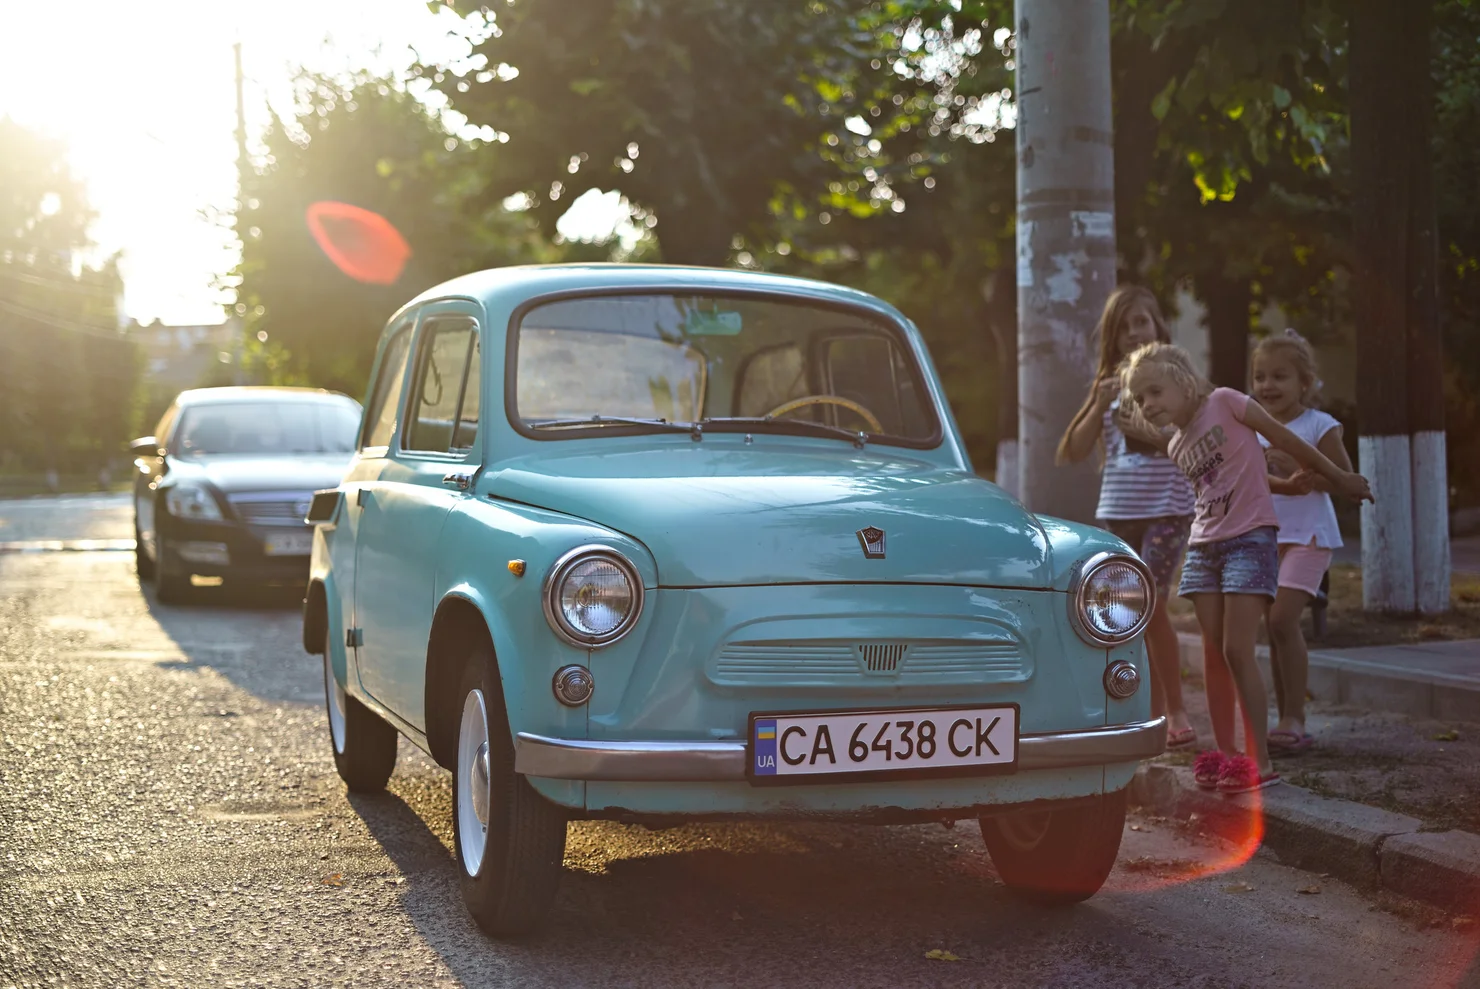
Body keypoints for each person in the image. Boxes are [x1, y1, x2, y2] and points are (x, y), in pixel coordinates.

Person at [1121, 342, 1373, 794]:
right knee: (1213, 654)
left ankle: (1260, 760)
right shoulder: (1177, 444)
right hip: (1204, 548)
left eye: (1154, 391)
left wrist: (1340, 479)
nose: (1148, 405)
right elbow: (1235, 474)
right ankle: (1226, 755)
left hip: (1250, 540)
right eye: (1140, 399)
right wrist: (1285, 487)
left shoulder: (1227, 402)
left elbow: (1284, 441)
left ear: (1182, 381)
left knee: (1238, 649)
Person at [1057, 286, 1198, 749]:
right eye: (1123, 327)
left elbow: (1192, 440)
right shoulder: (1112, 384)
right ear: (1113, 340)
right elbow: (1071, 451)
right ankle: (1138, 709)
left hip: (1167, 509)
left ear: (1158, 324)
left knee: (1150, 605)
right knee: (1117, 613)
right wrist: (1099, 405)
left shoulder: (1175, 375)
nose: (1134, 333)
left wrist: (1145, 428)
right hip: (1118, 512)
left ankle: (1173, 711)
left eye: (1142, 321)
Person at [1252, 331, 1348, 754]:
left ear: (1304, 383)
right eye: (1259, 376)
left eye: (1279, 376)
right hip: (1267, 535)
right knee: (1273, 629)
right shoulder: (1252, 426)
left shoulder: (1318, 426)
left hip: (1309, 536)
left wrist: (1299, 464)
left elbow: (1343, 482)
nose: (1267, 385)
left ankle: (1296, 718)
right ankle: (1285, 717)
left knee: (1280, 621)